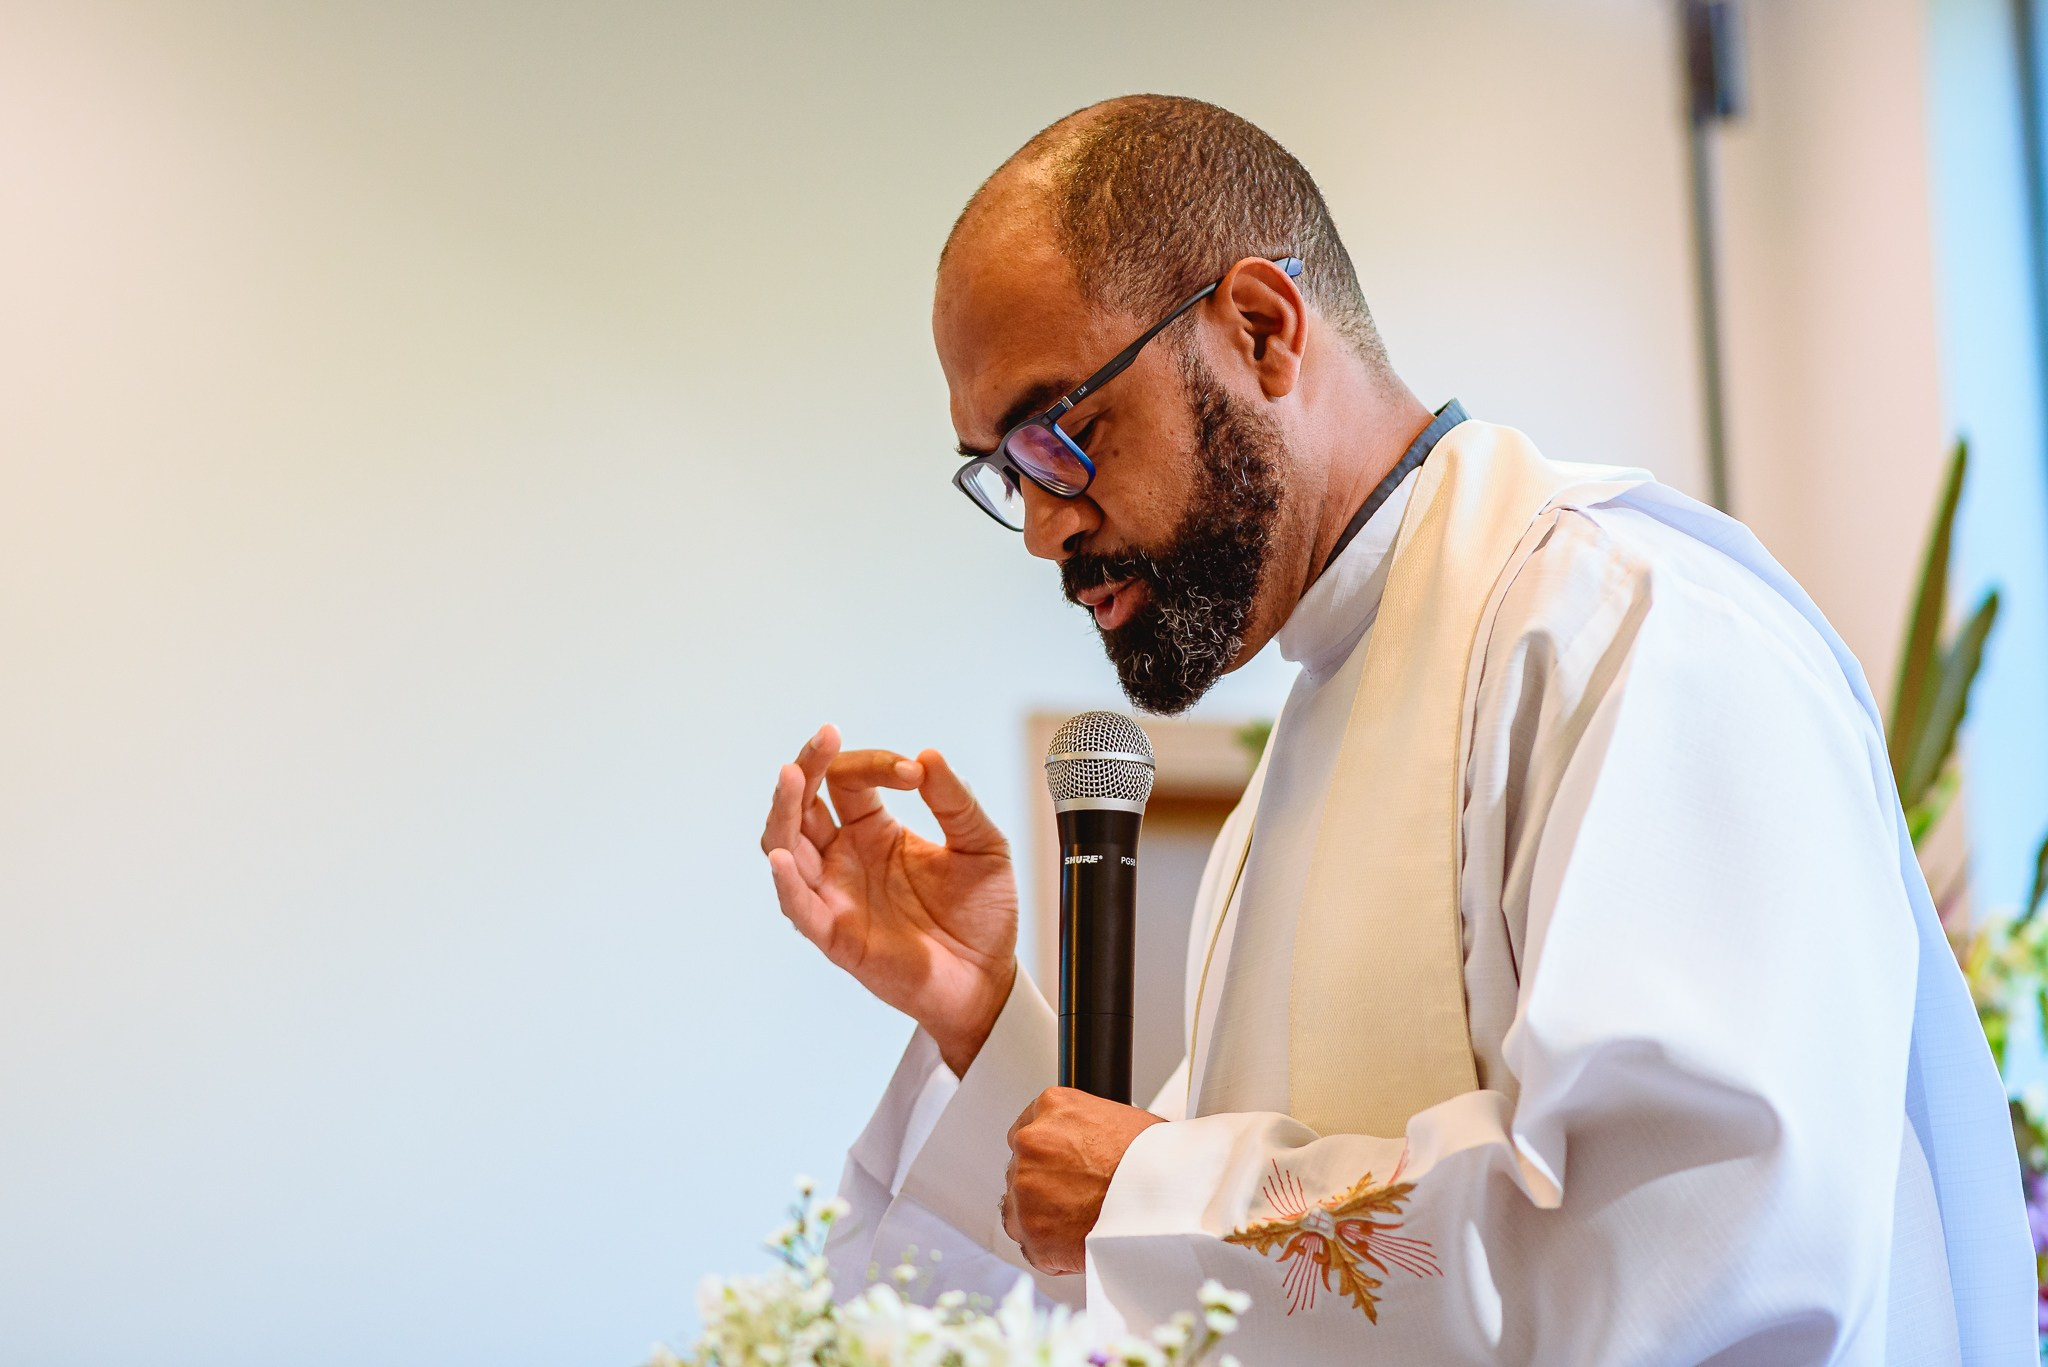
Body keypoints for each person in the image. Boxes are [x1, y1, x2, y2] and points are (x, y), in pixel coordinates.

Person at [756, 95, 2033, 1363]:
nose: (1042, 526)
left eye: (1061, 434)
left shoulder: (1626, 626)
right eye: (1003, 469)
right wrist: (981, 1015)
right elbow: (1182, 1297)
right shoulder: (1300, 760)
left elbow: (1685, 1247)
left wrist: (1154, 1193)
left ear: (1261, 328)